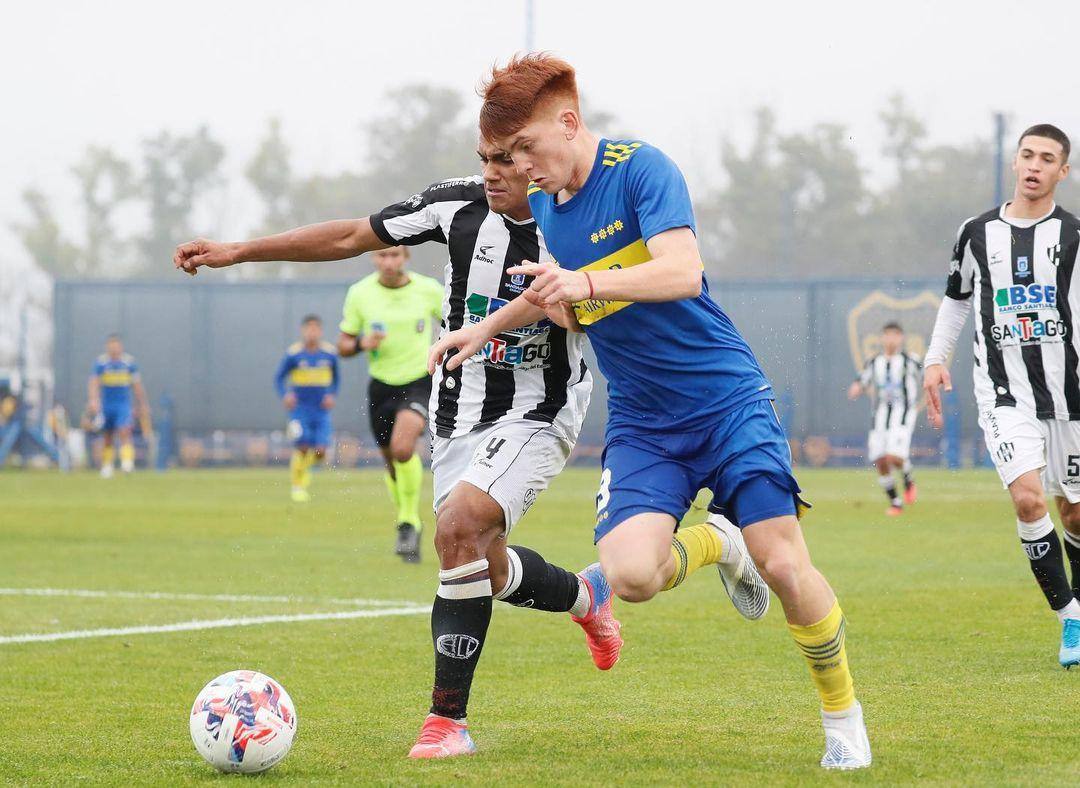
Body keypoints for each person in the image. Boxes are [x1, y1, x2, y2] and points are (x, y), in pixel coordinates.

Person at [175, 135, 764, 760]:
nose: (491, 174)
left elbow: (643, 280)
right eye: (485, 160)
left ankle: (445, 722)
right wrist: (239, 251)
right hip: (458, 413)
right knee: (482, 563)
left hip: (541, 409)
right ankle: (586, 597)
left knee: (457, 529)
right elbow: (352, 236)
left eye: (505, 161)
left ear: (536, 162)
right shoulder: (453, 208)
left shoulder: (572, 224)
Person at [431, 53, 870, 769]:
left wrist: (585, 280)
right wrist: (488, 327)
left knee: (785, 563)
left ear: (568, 124)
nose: (520, 169)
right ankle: (716, 544)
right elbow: (562, 297)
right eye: (507, 156)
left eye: (526, 151)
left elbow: (681, 271)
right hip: (643, 422)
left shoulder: (642, 169)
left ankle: (841, 715)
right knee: (631, 578)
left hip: (725, 399)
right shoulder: (546, 204)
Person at [924, 123, 1080, 669]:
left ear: (1064, 172)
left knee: (1076, 513)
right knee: (1029, 500)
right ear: (1015, 163)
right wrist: (935, 359)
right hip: (1003, 393)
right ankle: (1070, 619)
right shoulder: (975, 232)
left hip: (1071, 398)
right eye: (1027, 155)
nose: (1035, 166)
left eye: (1048, 159)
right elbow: (957, 301)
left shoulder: (1076, 237)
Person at [338, 246, 442, 561]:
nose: (388, 261)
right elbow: (343, 343)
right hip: (381, 387)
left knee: (402, 448)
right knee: (391, 462)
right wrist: (359, 343)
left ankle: (408, 521)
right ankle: (408, 520)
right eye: (382, 255)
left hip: (418, 381)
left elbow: (459, 320)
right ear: (373, 259)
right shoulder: (360, 293)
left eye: (395, 255)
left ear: (406, 258)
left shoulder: (428, 289)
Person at [847, 322, 921, 515]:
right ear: (882, 338)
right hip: (879, 416)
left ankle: (907, 478)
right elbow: (862, 379)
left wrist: (934, 406)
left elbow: (927, 378)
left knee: (893, 456)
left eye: (895, 335)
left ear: (901, 338)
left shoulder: (910, 360)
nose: (891, 339)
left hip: (902, 415)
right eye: (887, 335)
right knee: (880, 460)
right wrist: (856, 387)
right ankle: (896, 503)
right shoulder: (874, 362)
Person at [274, 315, 339, 502]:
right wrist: (285, 394)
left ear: (320, 331)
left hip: (321, 410)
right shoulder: (294, 354)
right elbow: (278, 378)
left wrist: (331, 394)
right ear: (303, 331)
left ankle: (305, 473)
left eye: (315, 328)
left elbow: (336, 379)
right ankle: (297, 486)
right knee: (302, 445)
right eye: (309, 328)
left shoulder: (329, 354)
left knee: (320, 451)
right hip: (300, 409)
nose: (312, 332)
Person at [87, 334, 148, 478]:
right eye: (111, 345)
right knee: (108, 436)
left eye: (116, 345)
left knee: (124, 430)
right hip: (107, 405)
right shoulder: (101, 363)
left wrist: (142, 404)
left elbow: (137, 385)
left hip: (123, 405)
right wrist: (93, 400)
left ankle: (127, 463)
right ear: (107, 347)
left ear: (120, 347)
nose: (114, 348)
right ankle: (107, 466)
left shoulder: (129, 363)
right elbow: (94, 382)